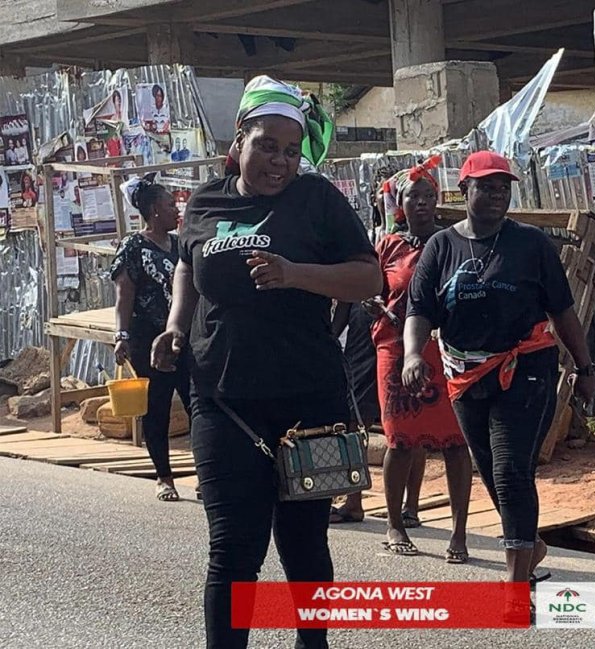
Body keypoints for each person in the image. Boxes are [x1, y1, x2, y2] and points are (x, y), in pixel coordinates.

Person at [151, 75, 380, 649]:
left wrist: (294, 274)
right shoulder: (205, 200)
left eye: (291, 151)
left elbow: (368, 277)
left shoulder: (318, 200)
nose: (280, 161)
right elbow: (186, 263)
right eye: (267, 146)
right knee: (233, 549)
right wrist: (176, 323)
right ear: (239, 141)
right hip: (223, 400)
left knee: (304, 546)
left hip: (310, 403)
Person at [402, 151, 595, 593]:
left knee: (510, 468)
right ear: (464, 190)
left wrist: (585, 367)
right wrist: (414, 355)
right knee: (490, 469)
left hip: (525, 368)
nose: (495, 195)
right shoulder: (441, 246)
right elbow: (419, 309)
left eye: (503, 187)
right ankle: (529, 544)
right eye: (486, 186)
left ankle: (515, 580)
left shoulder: (530, 244)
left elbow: (562, 311)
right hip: (464, 373)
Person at [375, 157, 472, 562]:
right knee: (399, 439)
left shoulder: (451, 242)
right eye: (414, 195)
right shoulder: (388, 246)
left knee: (455, 442)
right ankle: (394, 523)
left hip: (444, 350)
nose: (422, 202)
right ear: (401, 202)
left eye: (429, 195)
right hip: (395, 350)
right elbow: (370, 288)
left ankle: (460, 533)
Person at [111, 176, 190, 501]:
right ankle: (164, 477)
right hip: (148, 340)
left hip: (182, 338)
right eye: (171, 205)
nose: (177, 210)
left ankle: (206, 474)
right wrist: (122, 336)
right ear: (155, 210)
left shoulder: (179, 244)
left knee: (197, 404)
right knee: (156, 408)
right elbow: (123, 296)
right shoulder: (133, 247)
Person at [327, 300, 427, 526]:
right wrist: (332, 334)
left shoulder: (415, 262)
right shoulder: (362, 263)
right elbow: (348, 291)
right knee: (355, 417)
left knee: (412, 419)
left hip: (403, 328)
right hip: (363, 330)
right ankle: (353, 502)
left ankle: (411, 507)